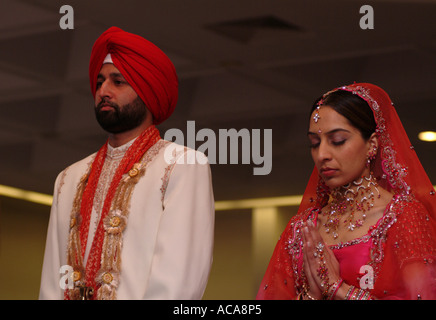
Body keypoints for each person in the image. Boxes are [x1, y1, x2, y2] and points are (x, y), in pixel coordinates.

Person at [39, 27, 215, 300]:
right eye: (99, 82)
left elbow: (178, 282)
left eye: (118, 81)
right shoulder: (68, 178)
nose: (103, 91)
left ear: (148, 91)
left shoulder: (182, 165)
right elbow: (52, 281)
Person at [256, 82, 436, 300]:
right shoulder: (300, 230)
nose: (322, 154)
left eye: (337, 141)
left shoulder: (403, 217)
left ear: (372, 144)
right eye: (314, 143)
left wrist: (337, 289)